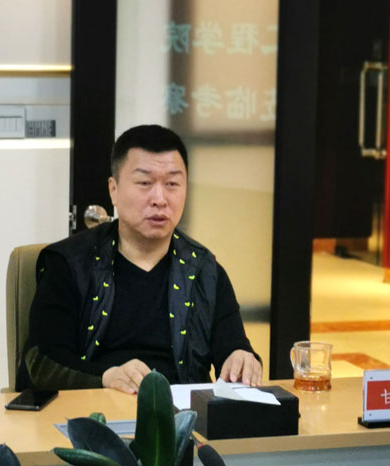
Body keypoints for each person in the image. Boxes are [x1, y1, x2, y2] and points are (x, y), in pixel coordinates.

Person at [19, 124, 261, 394]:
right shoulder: (70, 264)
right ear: (113, 190)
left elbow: (233, 348)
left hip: (181, 416)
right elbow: (42, 363)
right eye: (145, 183)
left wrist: (241, 359)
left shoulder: (205, 271)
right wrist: (106, 376)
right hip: (95, 411)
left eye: (172, 184)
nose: (159, 199)